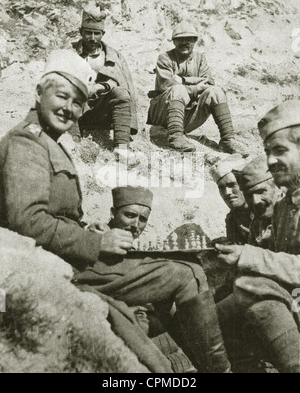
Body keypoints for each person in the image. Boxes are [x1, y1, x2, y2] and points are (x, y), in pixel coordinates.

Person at [0, 49, 173, 373]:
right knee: (180, 275)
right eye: (62, 96)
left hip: (62, 252)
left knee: (153, 295)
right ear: (39, 92)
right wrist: (95, 244)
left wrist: (87, 230)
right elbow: (27, 220)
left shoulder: (51, 141)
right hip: (42, 263)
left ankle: (169, 367)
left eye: (78, 102)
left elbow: (57, 214)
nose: (69, 108)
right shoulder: (27, 142)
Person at [74, 186, 232, 373]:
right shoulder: (101, 234)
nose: (136, 224)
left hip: (137, 316)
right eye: (130, 215)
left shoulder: (129, 245)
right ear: (113, 213)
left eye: (143, 219)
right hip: (105, 301)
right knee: (189, 272)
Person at [216, 100, 300, 373]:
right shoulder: (287, 204)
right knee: (233, 299)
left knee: (253, 291)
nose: (271, 160)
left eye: (280, 151)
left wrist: (250, 256)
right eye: (267, 152)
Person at [147, 21, 248, 155]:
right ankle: (175, 137)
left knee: (216, 92)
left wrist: (183, 80)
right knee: (178, 89)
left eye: (188, 39)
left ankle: (227, 139)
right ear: (174, 42)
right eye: (180, 40)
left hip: (188, 114)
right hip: (163, 114)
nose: (184, 43)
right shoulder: (164, 58)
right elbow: (167, 85)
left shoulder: (200, 59)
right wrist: (197, 86)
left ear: (195, 41)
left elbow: (209, 83)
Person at [72, 7, 138, 157]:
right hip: (76, 113)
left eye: (97, 33)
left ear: (103, 34)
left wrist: (99, 87)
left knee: (121, 93)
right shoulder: (69, 53)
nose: (93, 38)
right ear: (80, 32)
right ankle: (73, 143)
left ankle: (121, 147)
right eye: (88, 32)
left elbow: (119, 81)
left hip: (104, 114)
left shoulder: (114, 56)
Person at [234, 156, 282, 248]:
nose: (255, 201)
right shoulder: (257, 224)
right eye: (248, 195)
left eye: (260, 192)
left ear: (278, 186)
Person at [211, 155, 252, 245]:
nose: (227, 192)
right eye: (221, 188)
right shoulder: (232, 219)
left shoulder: (268, 211)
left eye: (232, 185)